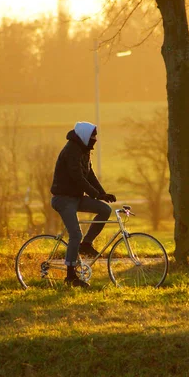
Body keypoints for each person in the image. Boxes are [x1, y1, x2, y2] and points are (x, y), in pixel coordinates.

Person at [50, 121, 116, 288]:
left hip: (76, 197)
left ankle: (86, 245)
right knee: (75, 235)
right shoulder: (71, 150)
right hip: (63, 199)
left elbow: (90, 174)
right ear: (85, 136)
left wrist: (102, 193)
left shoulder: (84, 150)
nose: (95, 140)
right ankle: (71, 276)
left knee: (104, 210)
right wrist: (96, 194)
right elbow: (78, 178)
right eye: (93, 137)